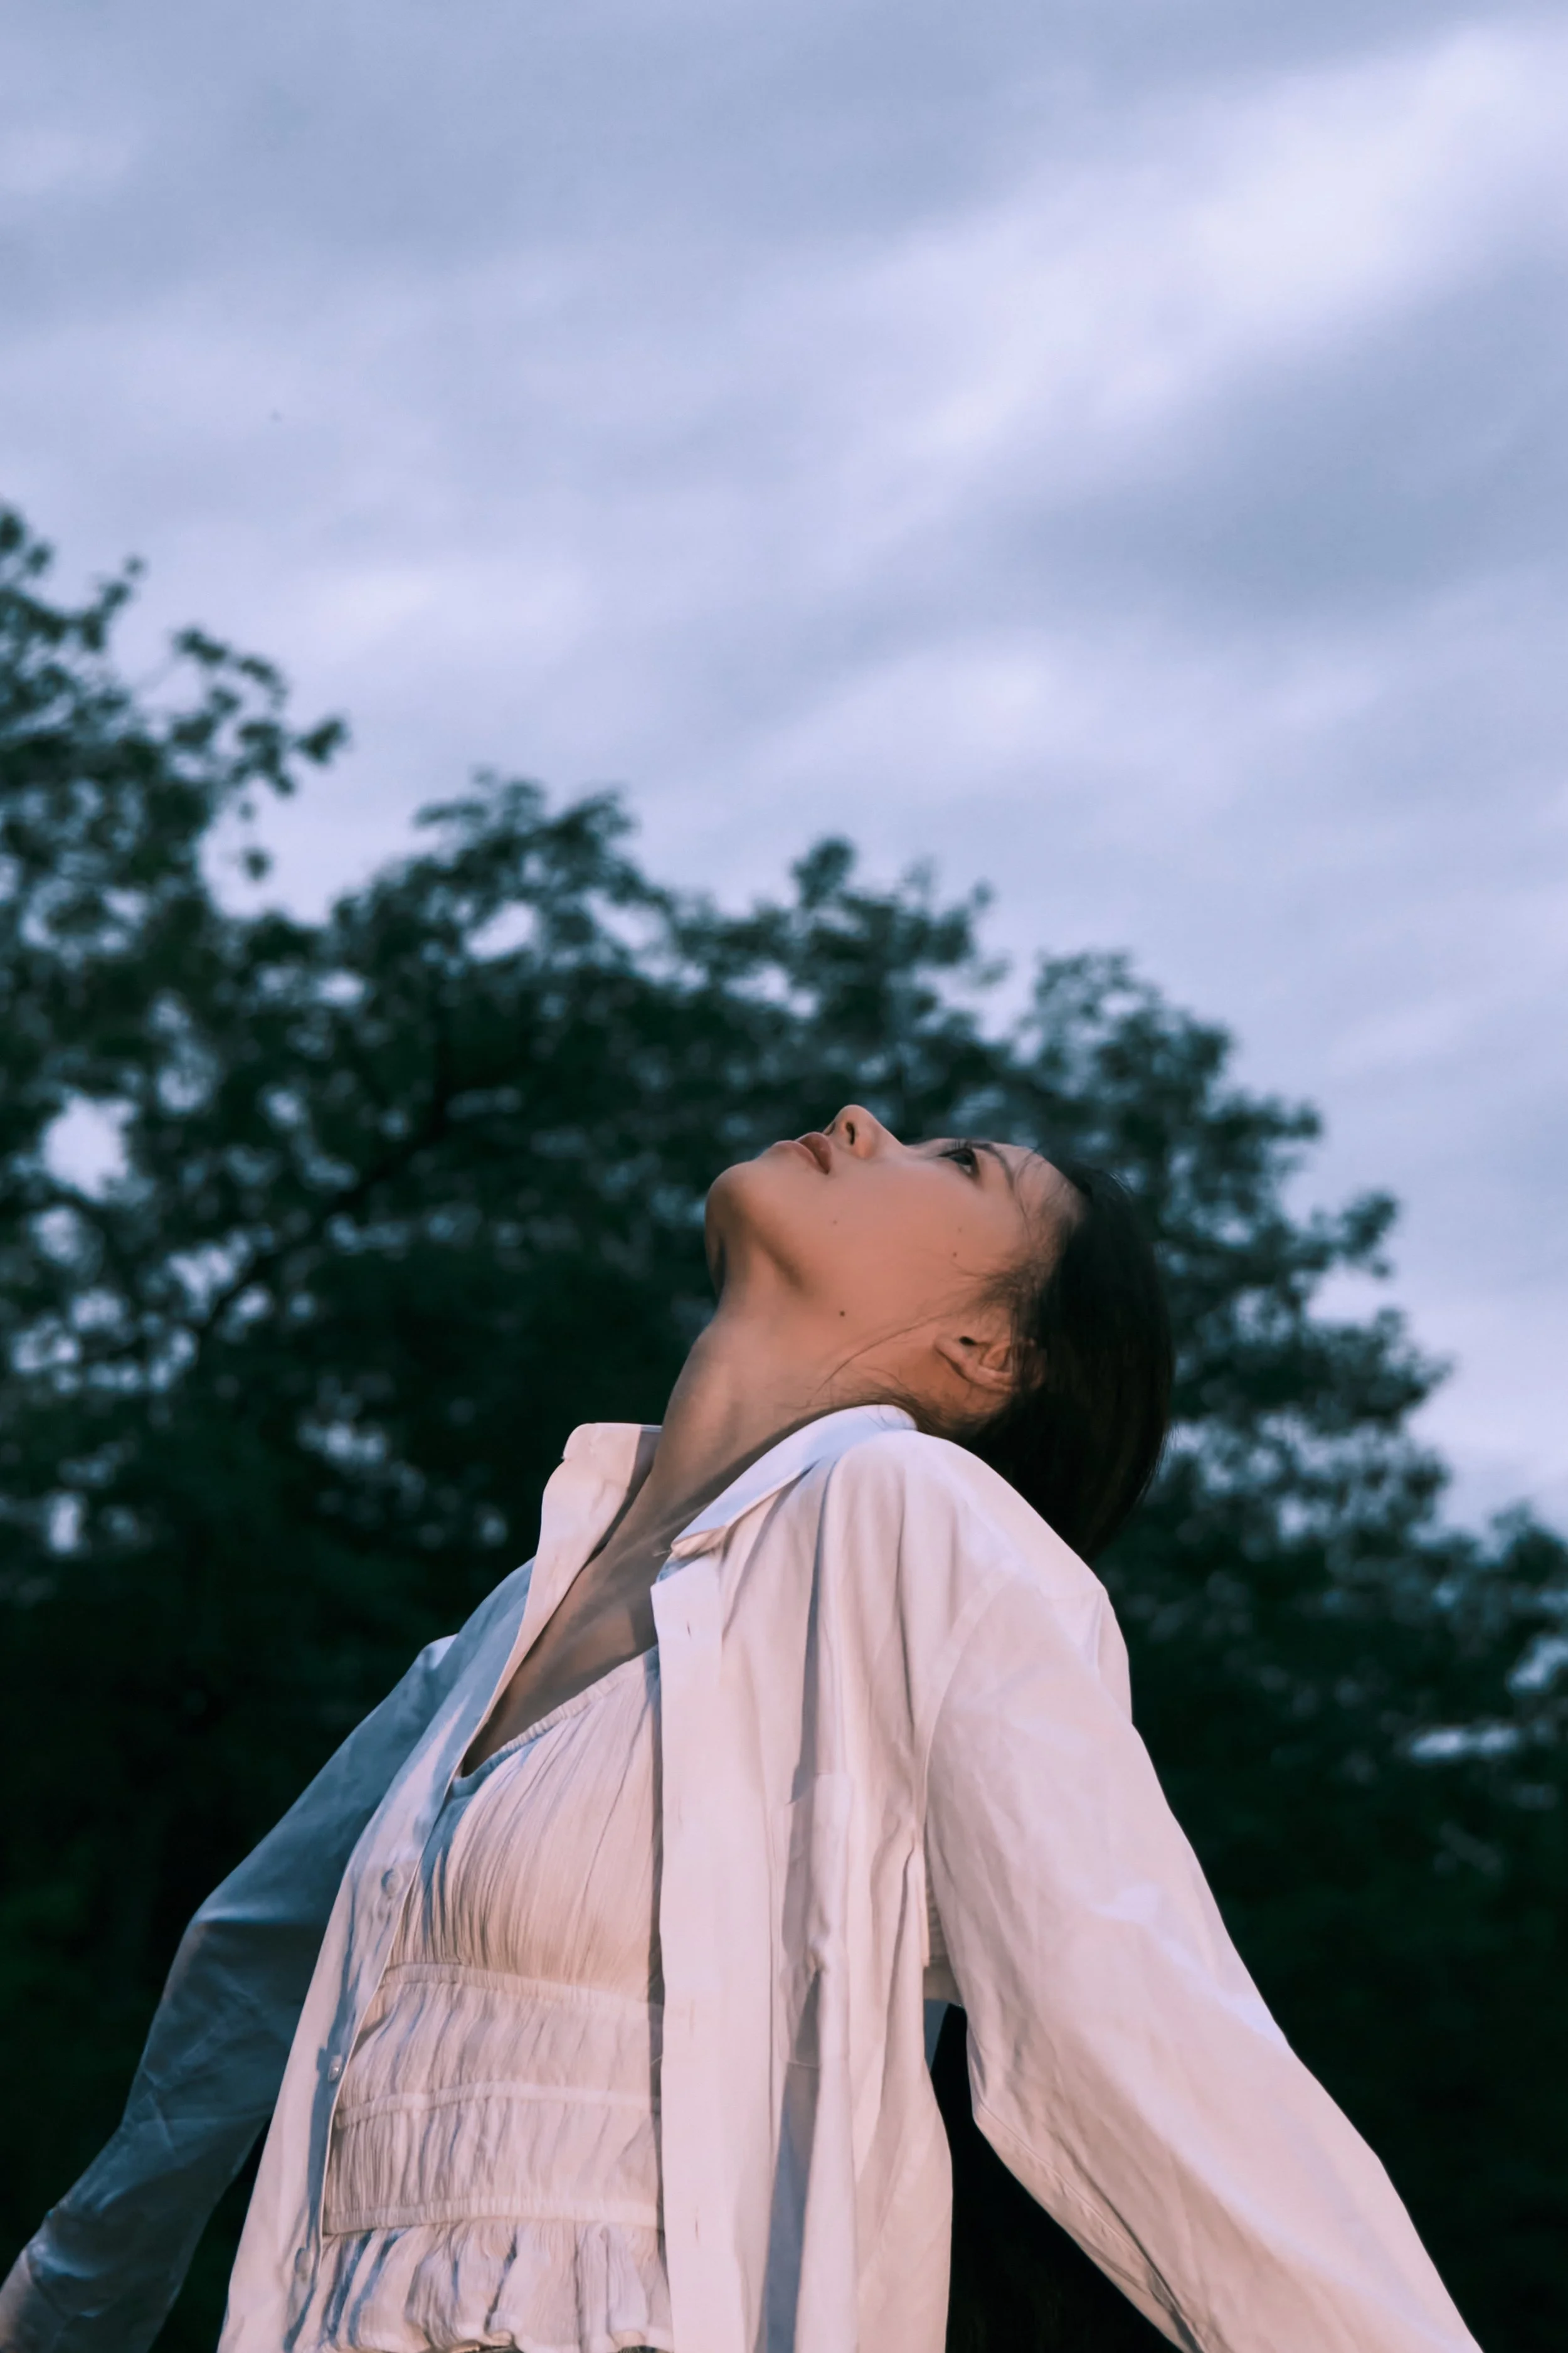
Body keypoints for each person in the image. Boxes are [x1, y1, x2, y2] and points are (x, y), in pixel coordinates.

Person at [0, 1108, 1480, 2353]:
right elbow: (252, 1963)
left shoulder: (914, 1532)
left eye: (958, 1163)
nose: (859, 1124)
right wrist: (69, 2301)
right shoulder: (512, 1614)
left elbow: (1137, 2033)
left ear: (984, 1348)